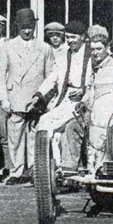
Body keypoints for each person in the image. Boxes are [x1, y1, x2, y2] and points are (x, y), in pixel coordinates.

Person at [0, 8, 54, 185]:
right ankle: (16, 172)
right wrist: (3, 99)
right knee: (15, 136)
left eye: (30, 27)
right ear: (17, 28)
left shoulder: (44, 48)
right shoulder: (8, 46)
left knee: (35, 135)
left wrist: (45, 99)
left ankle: (34, 171)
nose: (27, 31)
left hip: (36, 99)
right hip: (15, 98)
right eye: (23, 28)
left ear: (35, 26)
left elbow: (51, 75)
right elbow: (0, 74)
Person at [31, 21, 90, 171]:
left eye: (74, 37)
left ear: (83, 37)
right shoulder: (64, 57)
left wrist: (83, 90)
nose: (70, 41)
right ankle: (52, 168)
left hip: (87, 100)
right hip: (66, 99)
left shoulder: (92, 56)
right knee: (45, 123)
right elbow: (52, 77)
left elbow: (97, 79)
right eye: (68, 37)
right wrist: (39, 94)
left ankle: (71, 167)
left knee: (67, 129)